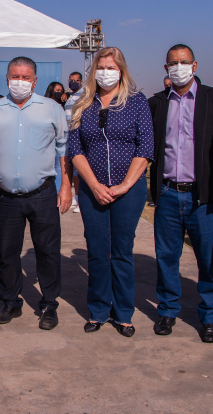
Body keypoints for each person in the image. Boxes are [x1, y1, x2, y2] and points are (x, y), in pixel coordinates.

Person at [147, 45, 213, 343]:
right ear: (166, 68)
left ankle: (210, 316)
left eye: (183, 62)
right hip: (169, 192)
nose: (178, 67)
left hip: (202, 196)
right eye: (173, 63)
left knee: (207, 259)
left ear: (194, 65)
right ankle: (168, 310)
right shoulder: (157, 103)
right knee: (167, 256)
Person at [67, 47, 153, 336]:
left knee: (121, 251)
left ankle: (124, 312)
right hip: (94, 191)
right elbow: (75, 149)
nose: (105, 72)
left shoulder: (137, 102)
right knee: (97, 252)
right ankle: (99, 309)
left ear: (121, 70)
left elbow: (145, 147)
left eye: (111, 67)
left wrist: (125, 185)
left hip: (128, 190)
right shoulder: (83, 103)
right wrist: (93, 185)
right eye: (101, 67)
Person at [0, 57, 72, 330]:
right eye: (15, 76)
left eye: (26, 78)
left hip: (43, 194)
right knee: (8, 253)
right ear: (7, 78)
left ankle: (49, 304)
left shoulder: (51, 109)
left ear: (34, 81)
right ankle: (11, 302)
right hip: (8, 197)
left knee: (48, 252)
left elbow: (63, 150)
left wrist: (66, 186)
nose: (20, 82)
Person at [65, 72, 84, 212]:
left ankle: (79, 198)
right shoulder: (70, 97)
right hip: (68, 135)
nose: (73, 83)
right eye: (71, 80)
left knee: (79, 170)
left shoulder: (84, 95)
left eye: (76, 80)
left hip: (78, 135)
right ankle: (76, 196)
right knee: (72, 169)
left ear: (81, 82)